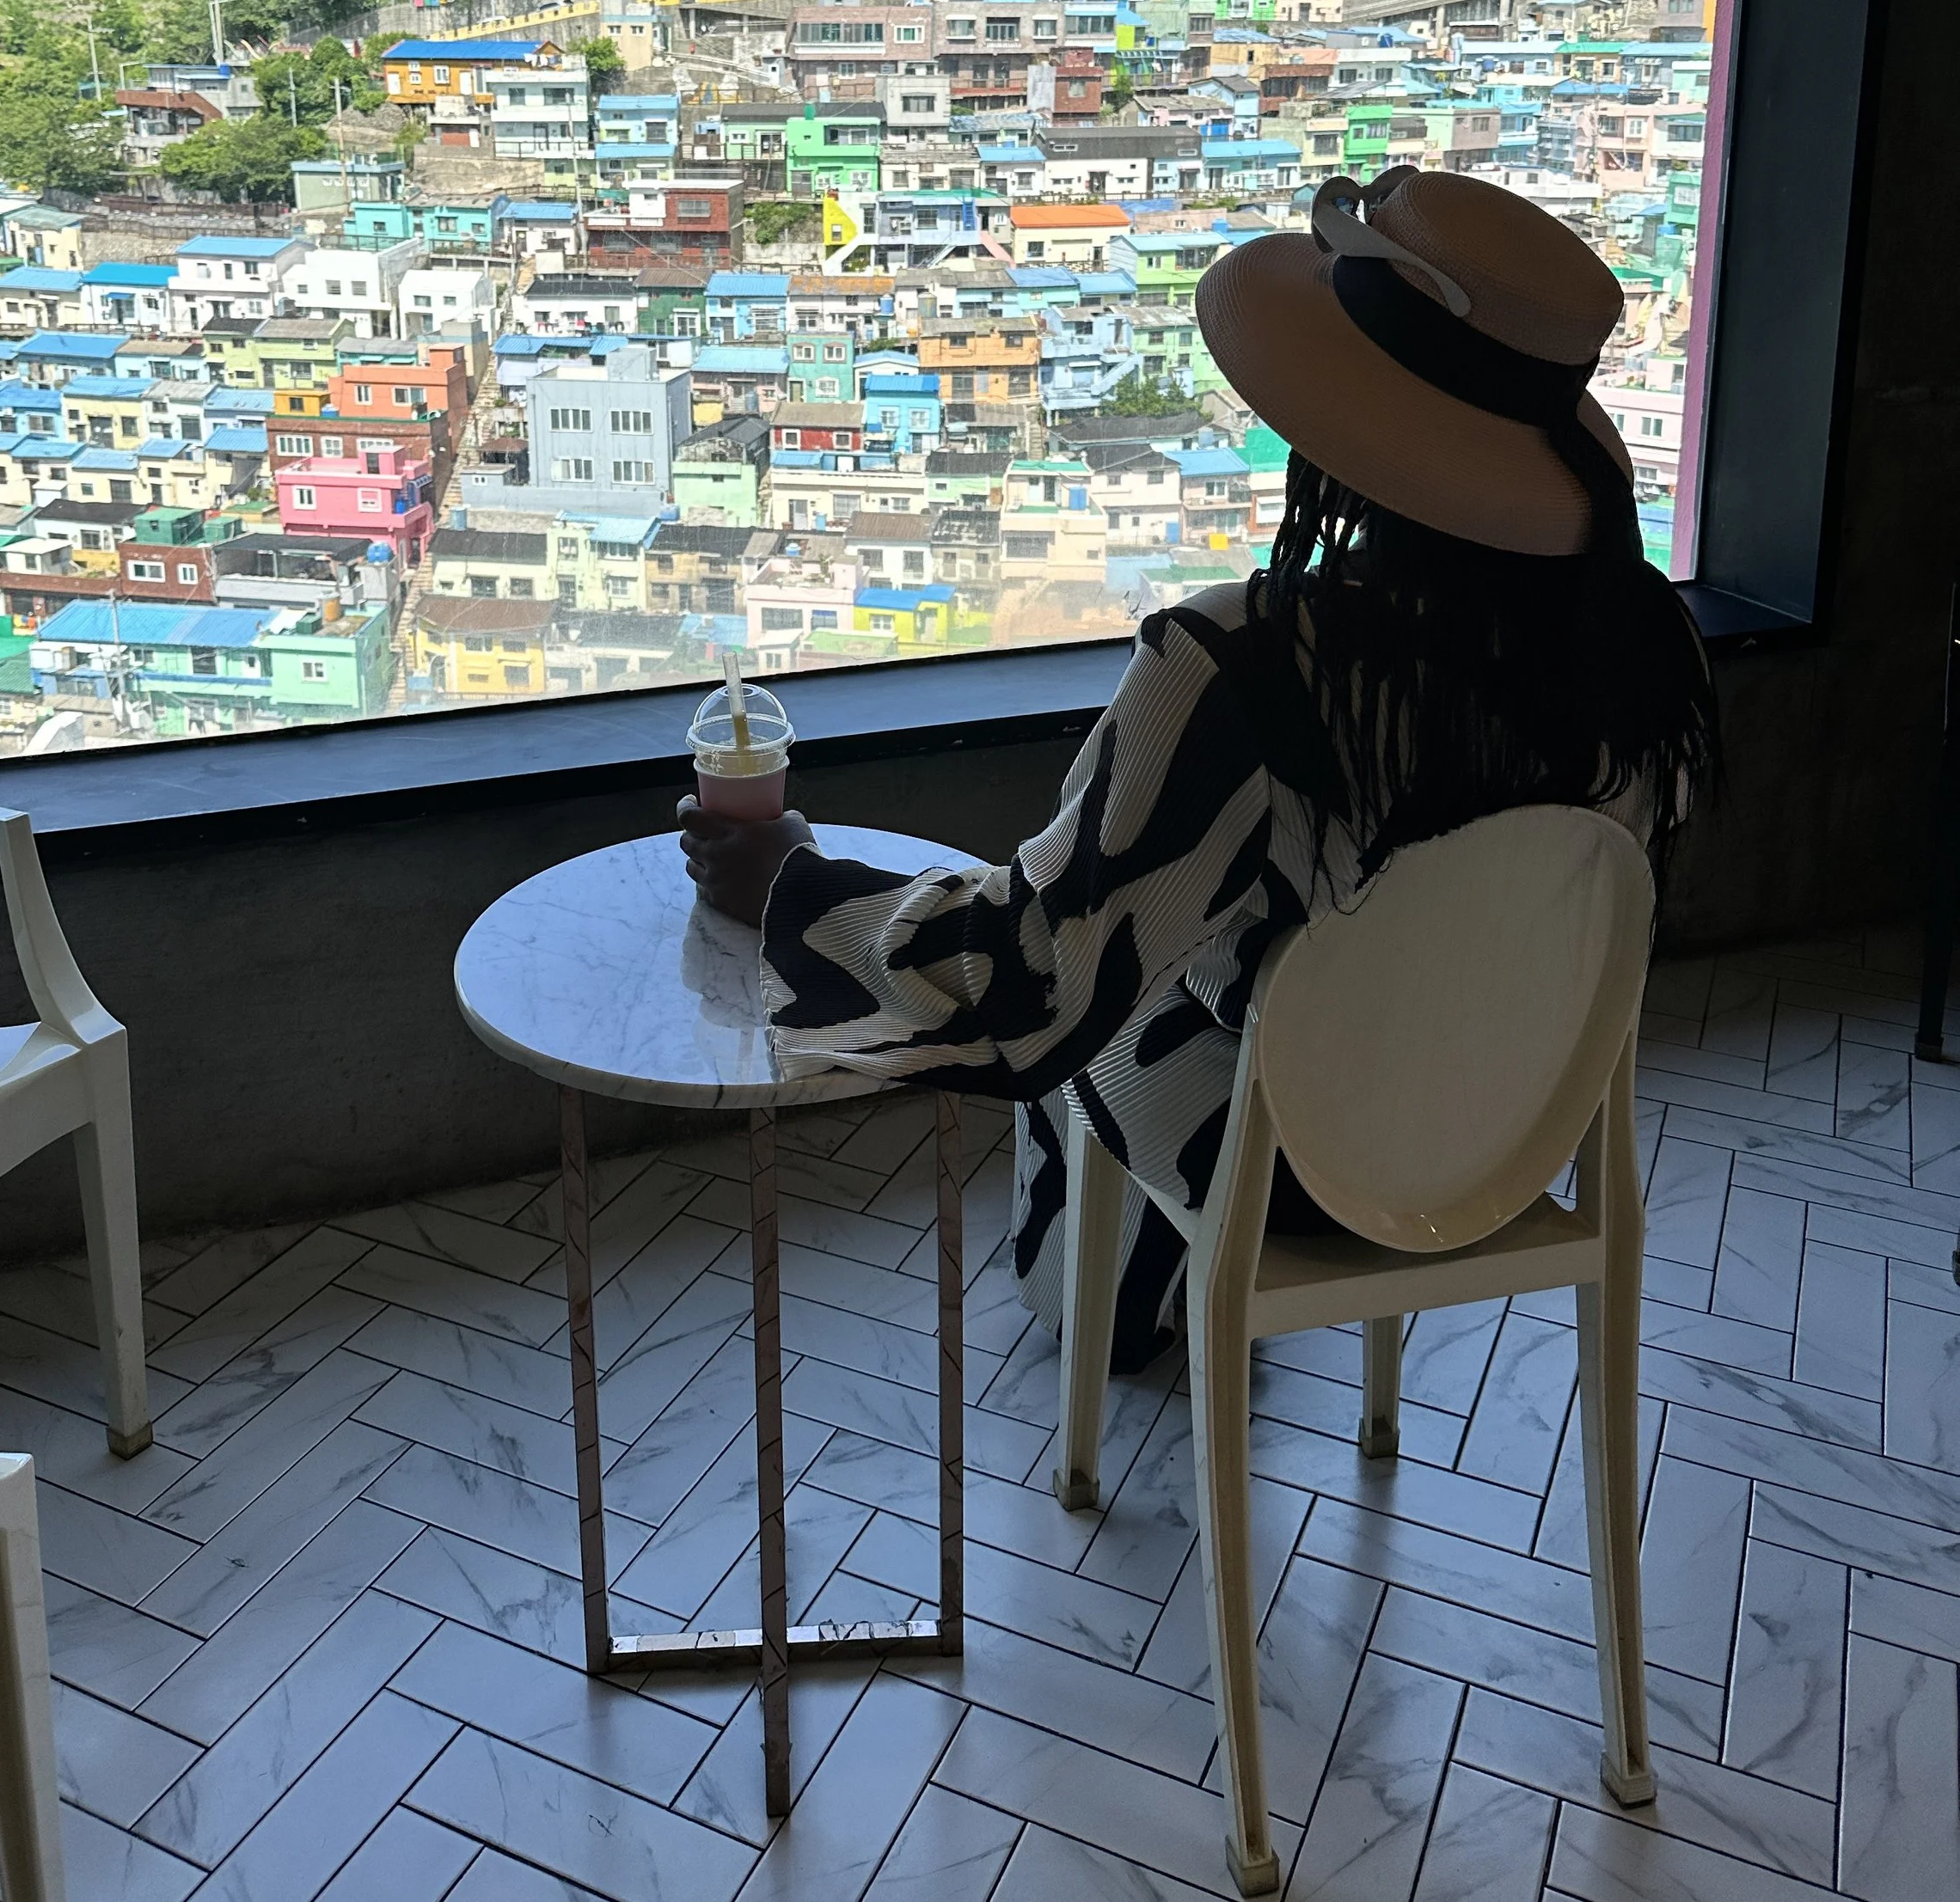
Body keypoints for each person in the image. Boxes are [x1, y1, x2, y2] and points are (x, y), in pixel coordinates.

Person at [679, 168, 1716, 1367]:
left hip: (1302, 1170)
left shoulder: (1249, 667)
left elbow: (1031, 978)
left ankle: (1112, 1317)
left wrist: (794, 890)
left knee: (1108, 1017)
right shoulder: (1653, 648)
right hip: (1519, 1127)